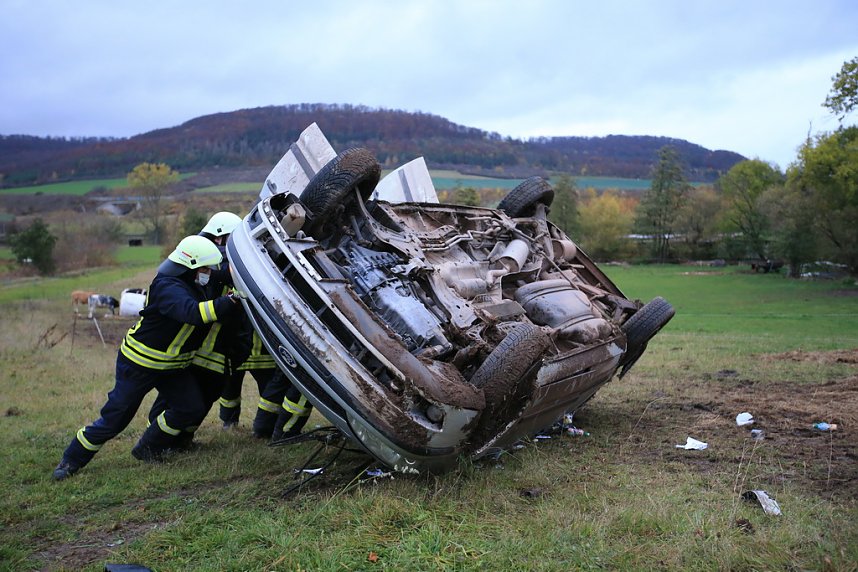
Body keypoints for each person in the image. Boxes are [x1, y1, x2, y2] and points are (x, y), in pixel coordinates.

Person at [52, 235, 240, 480]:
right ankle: (70, 460)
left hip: (173, 367)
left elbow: (224, 274)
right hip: (139, 364)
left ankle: (148, 447)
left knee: (189, 408)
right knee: (115, 419)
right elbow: (193, 313)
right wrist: (231, 301)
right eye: (205, 268)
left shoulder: (197, 279)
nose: (208, 273)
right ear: (191, 266)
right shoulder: (167, 286)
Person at [147, 212, 250, 448]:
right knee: (179, 400)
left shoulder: (228, 263)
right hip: (194, 349)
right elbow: (219, 275)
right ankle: (156, 440)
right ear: (219, 238)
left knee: (206, 399)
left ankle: (184, 439)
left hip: (222, 350)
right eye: (232, 240)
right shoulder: (201, 261)